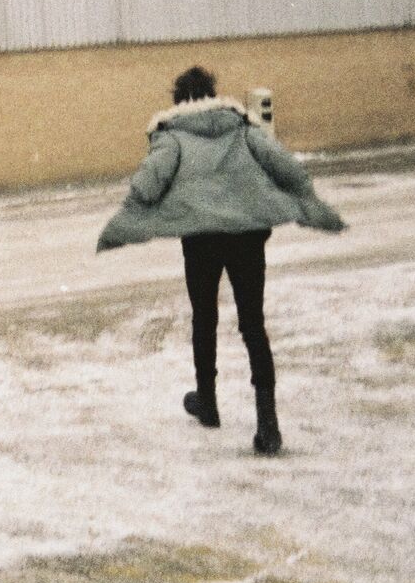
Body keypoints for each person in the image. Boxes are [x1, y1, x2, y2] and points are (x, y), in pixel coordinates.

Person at [97, 66, 345, 455]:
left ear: (179, 100)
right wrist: (305, 199)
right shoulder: (243, 130)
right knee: (253, 324)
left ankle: (208, 402)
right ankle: (268, 423)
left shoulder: (173, 135)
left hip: (201, 239)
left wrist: (129, 214)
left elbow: (149, 181)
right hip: (247, 236)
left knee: (204, 317)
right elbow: (286, 166)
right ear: (213, 95)